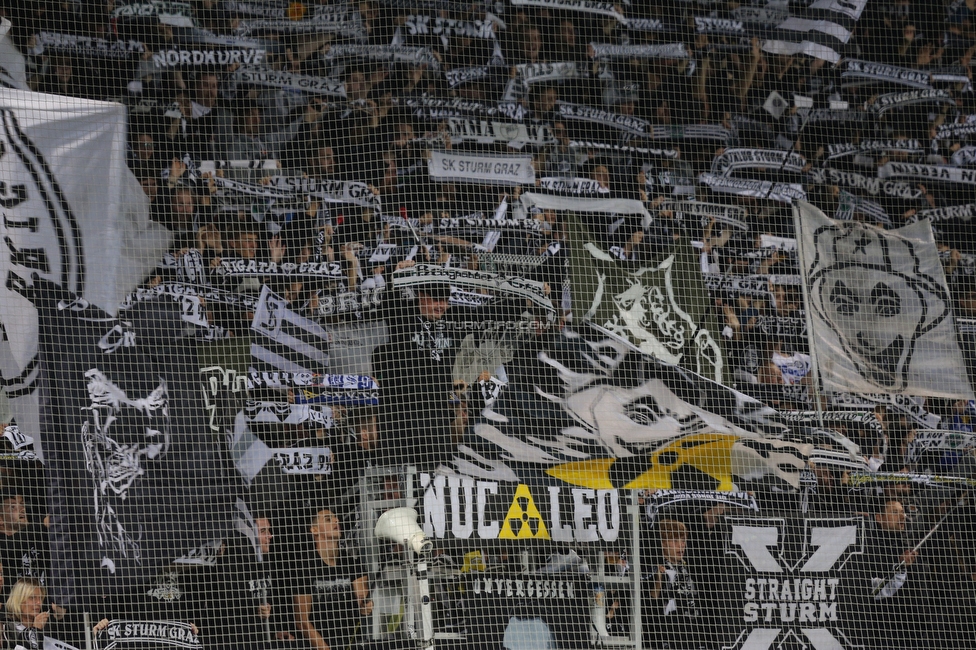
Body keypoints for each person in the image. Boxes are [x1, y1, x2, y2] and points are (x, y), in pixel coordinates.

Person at [372, 276, 466, 470]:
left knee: (434, 479)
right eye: (436, 299)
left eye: (445, 300)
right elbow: (389, 302)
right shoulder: (404, 317)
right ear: (421, 296)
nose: (442, 305)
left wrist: (522, 301)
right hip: (399, 417)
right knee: (395, 479)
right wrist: (395, 275)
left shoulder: (453, 321)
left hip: (436, 419)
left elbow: (488, 313)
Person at [292, 507, 371, 650]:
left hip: (351, 643)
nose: (336, 520)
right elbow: (301, 621)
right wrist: (324, 648)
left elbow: (363, 600)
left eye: (335, 518)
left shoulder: (352, 564)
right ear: (314, 530)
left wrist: (366, 606)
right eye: (328, 519)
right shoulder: (305, 568)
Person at [645, 518, 701, 649]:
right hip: (667, 636)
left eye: (683, 541)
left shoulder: (690, 566)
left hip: (692, 634)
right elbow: (649, 606)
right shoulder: (655, 568)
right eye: (676, 541)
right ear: (663, 544)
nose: (681, 545)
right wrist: (659, 580)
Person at [2, 578, 58, 650]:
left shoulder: (48, 628)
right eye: (32, 598)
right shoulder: (6, 629)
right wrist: (34, 630)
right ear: (19, 600)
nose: (39, 603)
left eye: (40, 598)